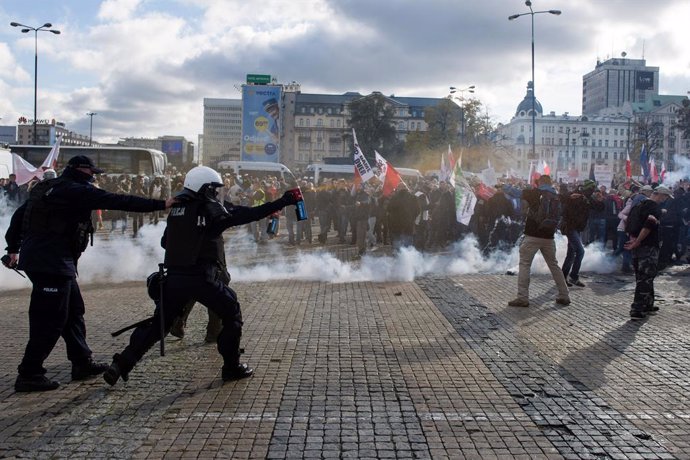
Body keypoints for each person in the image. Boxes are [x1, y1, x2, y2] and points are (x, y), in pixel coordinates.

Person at [103, 166, 301, 386]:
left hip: (174, 278)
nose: (216, 194)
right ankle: (231, 366)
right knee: (232, 313)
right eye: (214, 189)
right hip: (201, 277)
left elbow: (164, 242)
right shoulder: (210, 209)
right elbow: (247, 215)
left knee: (158, 325)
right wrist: (283, 201)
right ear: (204, 187)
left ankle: (121, 365)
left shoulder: (178, 208)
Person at [3, 155, 175, 392]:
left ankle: (81, 362)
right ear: (81, 171)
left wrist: (12, 249)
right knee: (50, 319)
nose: (94, 177)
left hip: (50, 262)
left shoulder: (47, 188)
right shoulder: (76, 190)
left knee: (73, 311)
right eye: (92, 173)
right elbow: (119, 201)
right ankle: (29, 373)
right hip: (51, 264)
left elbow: (18, 218)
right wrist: (161, 204)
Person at [508, 175, 570, 308]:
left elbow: (515, 192)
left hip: (532, 235)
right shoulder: (556, 196)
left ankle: (522, 298)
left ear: (540, 182)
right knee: (554, 265)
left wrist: (504, 186)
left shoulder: (534, 193)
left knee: (524, 265)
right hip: (549, 236)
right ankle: (564, 295)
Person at [624, 186, 673, 320]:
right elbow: (648, 225)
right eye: (665, 197)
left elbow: (627, 223)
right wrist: (638, 241)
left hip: (636, 246)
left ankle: (648, 303)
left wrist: (633, 240)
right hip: (647, 246)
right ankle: (637, 309)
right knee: (645, 278)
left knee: (644, 276)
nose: (665, 200)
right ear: (660, 195)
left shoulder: (638, 205)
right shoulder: (654, 207)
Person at [560, 179, 604, 287]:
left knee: (571, 253)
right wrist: (570, 197)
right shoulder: (575, 194)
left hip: (577, 228)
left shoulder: (588, 198)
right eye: (591, 189)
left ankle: (563, 277)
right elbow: (562, 198)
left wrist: (600, 200)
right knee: (580, 251)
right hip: (570, 227)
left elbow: (599, 208)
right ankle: (573, 276)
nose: (592, 191)